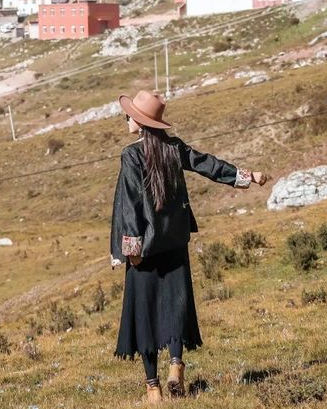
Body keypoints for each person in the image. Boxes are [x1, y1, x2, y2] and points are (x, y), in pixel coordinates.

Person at [110, 89, 268, 403]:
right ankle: (176, 365)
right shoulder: (174, 148)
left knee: (145, 313)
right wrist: (246, 176)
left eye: (130, 115)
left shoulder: (131, 155)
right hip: (175, 243)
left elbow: (129, 205)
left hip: (145, 250)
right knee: (175, 305)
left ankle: (153, 387)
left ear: (140, 123)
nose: (127, 119)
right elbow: (208, 164)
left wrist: (130, 250)